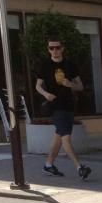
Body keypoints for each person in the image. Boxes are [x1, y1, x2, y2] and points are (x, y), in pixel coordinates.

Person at [35, 35, 91, 180]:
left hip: (69, 106)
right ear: (48, 50)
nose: (55, 51)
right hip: (55, 107)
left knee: (59, 137)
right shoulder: (45, 65)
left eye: (57, 48)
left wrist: (70, 84)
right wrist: (46, 94)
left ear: (62, 49)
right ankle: (79, 167)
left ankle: (48, 165)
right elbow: (38, 86)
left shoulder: (70, 65)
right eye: (51, 48)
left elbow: (80, 86)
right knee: (66, 138)